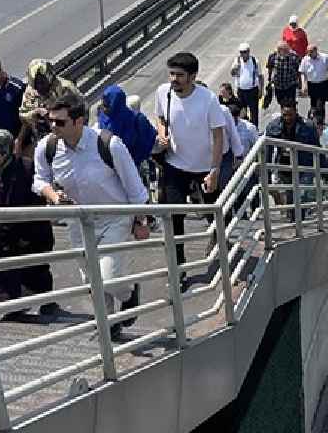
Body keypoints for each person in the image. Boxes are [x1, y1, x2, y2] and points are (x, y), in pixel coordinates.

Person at [33, 95, 149, 339]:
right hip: (78, 221)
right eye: (50, 122)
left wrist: (140, 221)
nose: (53, 127)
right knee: (91, 279)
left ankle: (129, 294)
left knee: (108, 277)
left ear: (79, 121)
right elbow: (39, 179)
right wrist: (53, 196)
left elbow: (135, 188)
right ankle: (109, 324)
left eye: (60, 123)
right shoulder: (48, 147)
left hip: (114, 218)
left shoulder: (109, 145)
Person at [153, 52, 228, 277]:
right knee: (173, 216)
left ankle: (219, 246)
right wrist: (162, 132)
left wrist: (214, 170)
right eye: (172, 74)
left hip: (204, 168)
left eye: (180, 75)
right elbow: (160, 117)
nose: (174, 79)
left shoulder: (208, 100)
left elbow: (218, 136)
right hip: (175, 166)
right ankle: (178, 266)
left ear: (193, 77)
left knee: (214, 212)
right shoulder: (163, 93)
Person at [0, 129, 58, 321]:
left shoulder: (27, 167)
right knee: (0, 269)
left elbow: (38, 202)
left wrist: (30, 232)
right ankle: (9, 305)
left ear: (6, 151)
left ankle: (47, 300)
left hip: (29, 229)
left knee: (35, 269)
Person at [263, 101, 320, 222]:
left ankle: (299, 220)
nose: (287, 118)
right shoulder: (273, 126)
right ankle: (293, 220)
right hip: (285, 166)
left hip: (304, 167)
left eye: (290, 115)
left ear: (296, 112)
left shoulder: (308, 127)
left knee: (302, 195)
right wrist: (266, 175)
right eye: (284, 115)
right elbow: (267, 151)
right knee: (290, 195)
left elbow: (317, 149)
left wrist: (324, 172)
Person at [97, 85, 157, 172]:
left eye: (107, 105)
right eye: (103, 104)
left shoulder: (137, 120)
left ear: (116, 104)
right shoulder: (102, 116)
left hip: (136, 168)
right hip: (113, 170)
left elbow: (148, 144)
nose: (104, 108)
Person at [20, 58, 80, 134]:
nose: (40, 86)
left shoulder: (65, 87)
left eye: (42, 81)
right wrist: (35, 113)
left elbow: (82, 108)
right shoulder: (30, 92)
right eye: (37, 82)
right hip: (44, 135)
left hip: (69, 131)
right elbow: (23, 115)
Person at [230, 42, 264, 126]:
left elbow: (260, 76)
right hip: (241, 91)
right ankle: (244, 128)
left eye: (244, 52)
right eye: (241, 52)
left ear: (248, 52)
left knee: (254, 112)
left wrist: (261, 90)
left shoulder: (254, 61)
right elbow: (232, 73)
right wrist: (236, 68)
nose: (243, 54)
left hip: (252, 90)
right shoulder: (237, 61)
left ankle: (255, 129)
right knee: (242, 112)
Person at [299, 44, 328, 114]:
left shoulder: (325, 58)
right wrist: (304, 85)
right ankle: (313, 121)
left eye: (311, 51)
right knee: (313, 106)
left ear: (316, 50)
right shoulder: (305, 59)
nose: (309, 53)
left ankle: (321, 122)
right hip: (311, 85)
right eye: (308, 52)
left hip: (322, 84)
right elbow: (302, 73)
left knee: (320, 105)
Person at [266, 41, 301, 107]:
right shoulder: (272, 56)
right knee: (281, 102)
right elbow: (270, 67)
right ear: (279, 51)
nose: (286, 52)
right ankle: (284, 115)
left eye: (287, 50)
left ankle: (292, 114)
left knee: (291, 103)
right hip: (278, 85)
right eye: (283, 50)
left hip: (290, 84)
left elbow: (298, 70)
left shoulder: (294, 57)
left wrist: (300, 82)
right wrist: (269, 79)